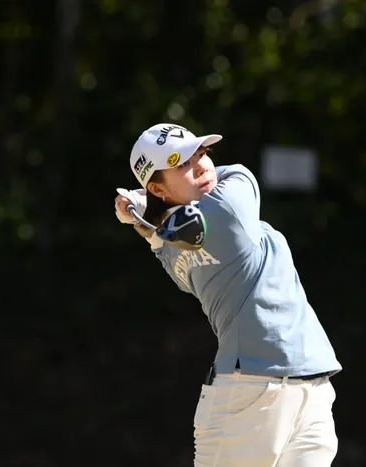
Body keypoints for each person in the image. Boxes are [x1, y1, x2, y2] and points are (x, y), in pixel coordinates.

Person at [114, 123, 342, 467]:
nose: (202, 166)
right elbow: (237, 172)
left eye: (201, 154)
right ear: (157, 187)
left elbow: (157, 239)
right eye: (182, 163)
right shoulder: (228, 205)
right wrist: (144, 203)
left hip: (305, 387)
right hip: (250, 392)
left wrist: (146, 207)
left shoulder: (168, 247)